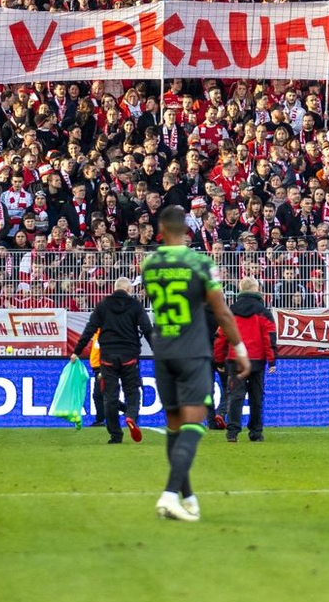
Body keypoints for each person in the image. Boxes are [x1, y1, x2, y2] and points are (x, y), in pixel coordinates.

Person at [142, 204, 248, 522]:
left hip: (162, 351)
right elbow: (221, 312)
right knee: (192, 426)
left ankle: (187, 498)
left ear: (160, 230)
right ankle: (169, 495)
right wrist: (239, 347)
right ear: (186, 231)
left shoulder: (150, 264)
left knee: (174, 427)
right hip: (192, 351)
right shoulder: (200, 263)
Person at [73, 277, 153, 444]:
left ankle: (115, 435)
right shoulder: (135, 305)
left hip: (108, 357)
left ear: (114, 289)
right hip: (129, 356)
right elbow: (147, 328)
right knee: (132, 391)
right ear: (129, 290)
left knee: (110, 396)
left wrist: (77, 351)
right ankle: (130, 416)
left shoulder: (103, 305)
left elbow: (90, 329)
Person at [216, 276, 276, 443]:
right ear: (256, 289)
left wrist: (219, 360)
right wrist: (272, 360)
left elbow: (221, 337)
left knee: (236, 396)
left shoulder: (231, 311)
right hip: (257, 360)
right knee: (256, 398)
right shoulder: (263, 312)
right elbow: (269, 337)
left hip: (236, 361)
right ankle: (256, 433)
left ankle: (232, 432)